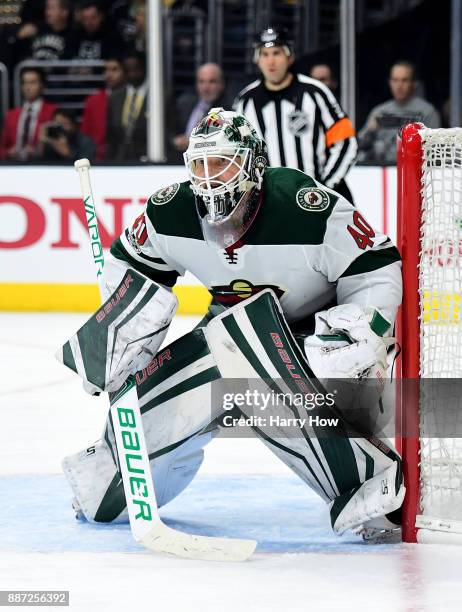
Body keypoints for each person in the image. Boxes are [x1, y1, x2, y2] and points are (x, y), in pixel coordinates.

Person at [62, 108, 404, 542]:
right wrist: (117, 336)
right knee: (114, 482)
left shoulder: (305, 207)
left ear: (253, 165)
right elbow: (133, 264)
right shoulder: (171, 212)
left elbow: (375, 266)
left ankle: (367, 489)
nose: (208, 178)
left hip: (306, 342)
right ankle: (117, 476)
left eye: (221, 163)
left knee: (248, 347)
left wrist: (354, 333)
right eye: (200, 164)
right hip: (227, 334)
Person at [234, 27, 357, 202]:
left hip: (321, 200)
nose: (271, 61)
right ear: (257, 59)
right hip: (270, 205)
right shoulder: (245, 102)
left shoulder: (316, 93)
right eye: (265, 54)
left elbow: (345, 142)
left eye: (276, 53)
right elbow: (239, 155)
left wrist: (324, 188)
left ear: (289, 56)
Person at [358, 60, 441, 164]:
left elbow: (437, 150)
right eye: (395, 80)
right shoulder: (379, 111)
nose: (399, 85)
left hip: (415, 170)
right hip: (381, 170)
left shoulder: (427, 112)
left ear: (414, 84)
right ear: (389, 82)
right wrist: (370, 131)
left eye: (404, 80)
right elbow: (357, 147)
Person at [171, 62, 232, 155]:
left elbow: (222, 141)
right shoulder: (184, 103)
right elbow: (169, 130)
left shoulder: (226, 110)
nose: (205, 87)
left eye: (212, 82)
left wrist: (193, 143)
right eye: (201, 81)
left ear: (222, 84)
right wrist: (174, 140)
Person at [0, 68, 56, 161]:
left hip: (42, 165)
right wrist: (8, 153)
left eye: (32, 82)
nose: (27, 87)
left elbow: (58, 146)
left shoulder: (53, 111)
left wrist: (37, 151)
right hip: (13, 165)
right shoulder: (11, 115)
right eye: (24, 83)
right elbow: (2, 146)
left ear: (42, 86)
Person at [80, 56, 125, 160]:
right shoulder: (93, 100)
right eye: (106, 70)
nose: (109, 75)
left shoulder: (132, 99)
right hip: (97, 159)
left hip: (125, 158)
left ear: (124, 72)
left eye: (114, 70)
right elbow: (85, 133)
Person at [105, 51, 147, 162]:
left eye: (136, 69)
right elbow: (110, 136)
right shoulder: (115, 97)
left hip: (148, 159)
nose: (132, 73)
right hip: (119, 160)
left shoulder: (158, 97)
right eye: (128, 70)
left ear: (144, 68)